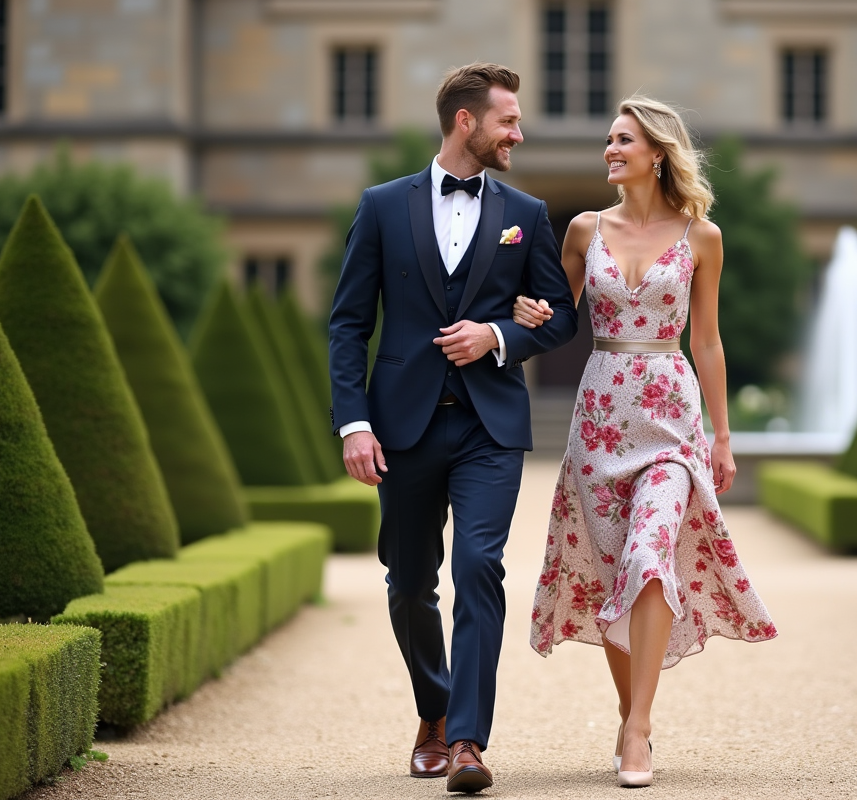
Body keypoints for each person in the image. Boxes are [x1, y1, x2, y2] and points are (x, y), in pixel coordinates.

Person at [328, 63, 578, 794]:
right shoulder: (380, 207)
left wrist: (498, 336)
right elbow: (348, 324)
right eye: (509, 121)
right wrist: (353, 423)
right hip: (399, 429)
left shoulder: (527, 213)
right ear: (466, 122)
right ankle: (432, 713)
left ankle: (467, 741)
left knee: (479, 567)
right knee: (408, 585)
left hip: (488, 428)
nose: (520, 134)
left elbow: (559, 315)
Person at [513, 96, 777, 788]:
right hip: (599, 420)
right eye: (608, 138)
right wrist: (524, 312)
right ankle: (630, 710)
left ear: (657, 151)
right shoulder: (580, 230)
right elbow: (551, 323)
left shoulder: (702, 236)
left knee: (649, 554)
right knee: (611, 577)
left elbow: (708, 341)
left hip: (669, 420)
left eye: (622, 139)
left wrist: (722, 435)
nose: (609, 148)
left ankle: (638, 729)